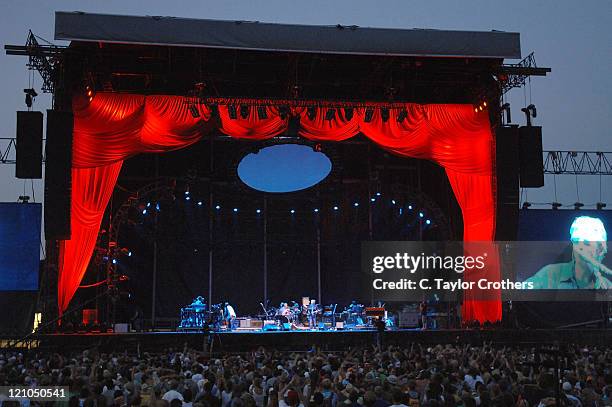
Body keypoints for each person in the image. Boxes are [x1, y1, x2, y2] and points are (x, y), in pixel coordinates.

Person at [525, 216, 612, 289]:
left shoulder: (607, 287)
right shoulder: (550, 274)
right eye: (576, 241)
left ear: (600, 249)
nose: (579, 247)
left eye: (586, 243)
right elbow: (518, 296)